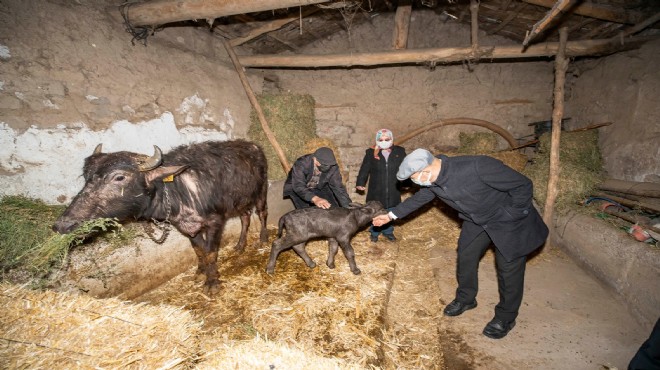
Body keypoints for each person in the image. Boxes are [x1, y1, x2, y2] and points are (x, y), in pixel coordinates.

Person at [372, 148, 549, 339]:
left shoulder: (478, 166)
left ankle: (506, 317)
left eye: (415, 178)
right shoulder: (433, 180)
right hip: (477, 220)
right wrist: (390, 215)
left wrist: (512, 214)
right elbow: (422, 197)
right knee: (466, 255)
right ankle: (466, 299)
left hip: (508, 219)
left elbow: (522, 185)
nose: (416, 183)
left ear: (427, 169)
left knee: (508, 268)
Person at [355, 129, 407, 242]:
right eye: (381, 139)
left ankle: (388, 231)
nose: (384, 141)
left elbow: (405, 168)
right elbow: (365, 168)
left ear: (391, 139)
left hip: (394, 187)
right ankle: (375, 231)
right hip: (376, 188)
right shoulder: (370, 153)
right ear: (377, 140)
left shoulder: (400, 151)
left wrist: (407, 183)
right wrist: (360, 182)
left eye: (387, 139)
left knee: (391, 210)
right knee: (375, 210)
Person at [283, 147, 352, 209]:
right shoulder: (302, 163)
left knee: (332, 208)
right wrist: (315, 199)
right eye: (324, 164)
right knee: (307, 214)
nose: (327, 167)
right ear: (315, 159)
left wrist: (349, 207)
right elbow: (298, 185)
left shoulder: (333, 166)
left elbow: (338, 187)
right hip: (298, 188)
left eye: (329, 165)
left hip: (319, 186)